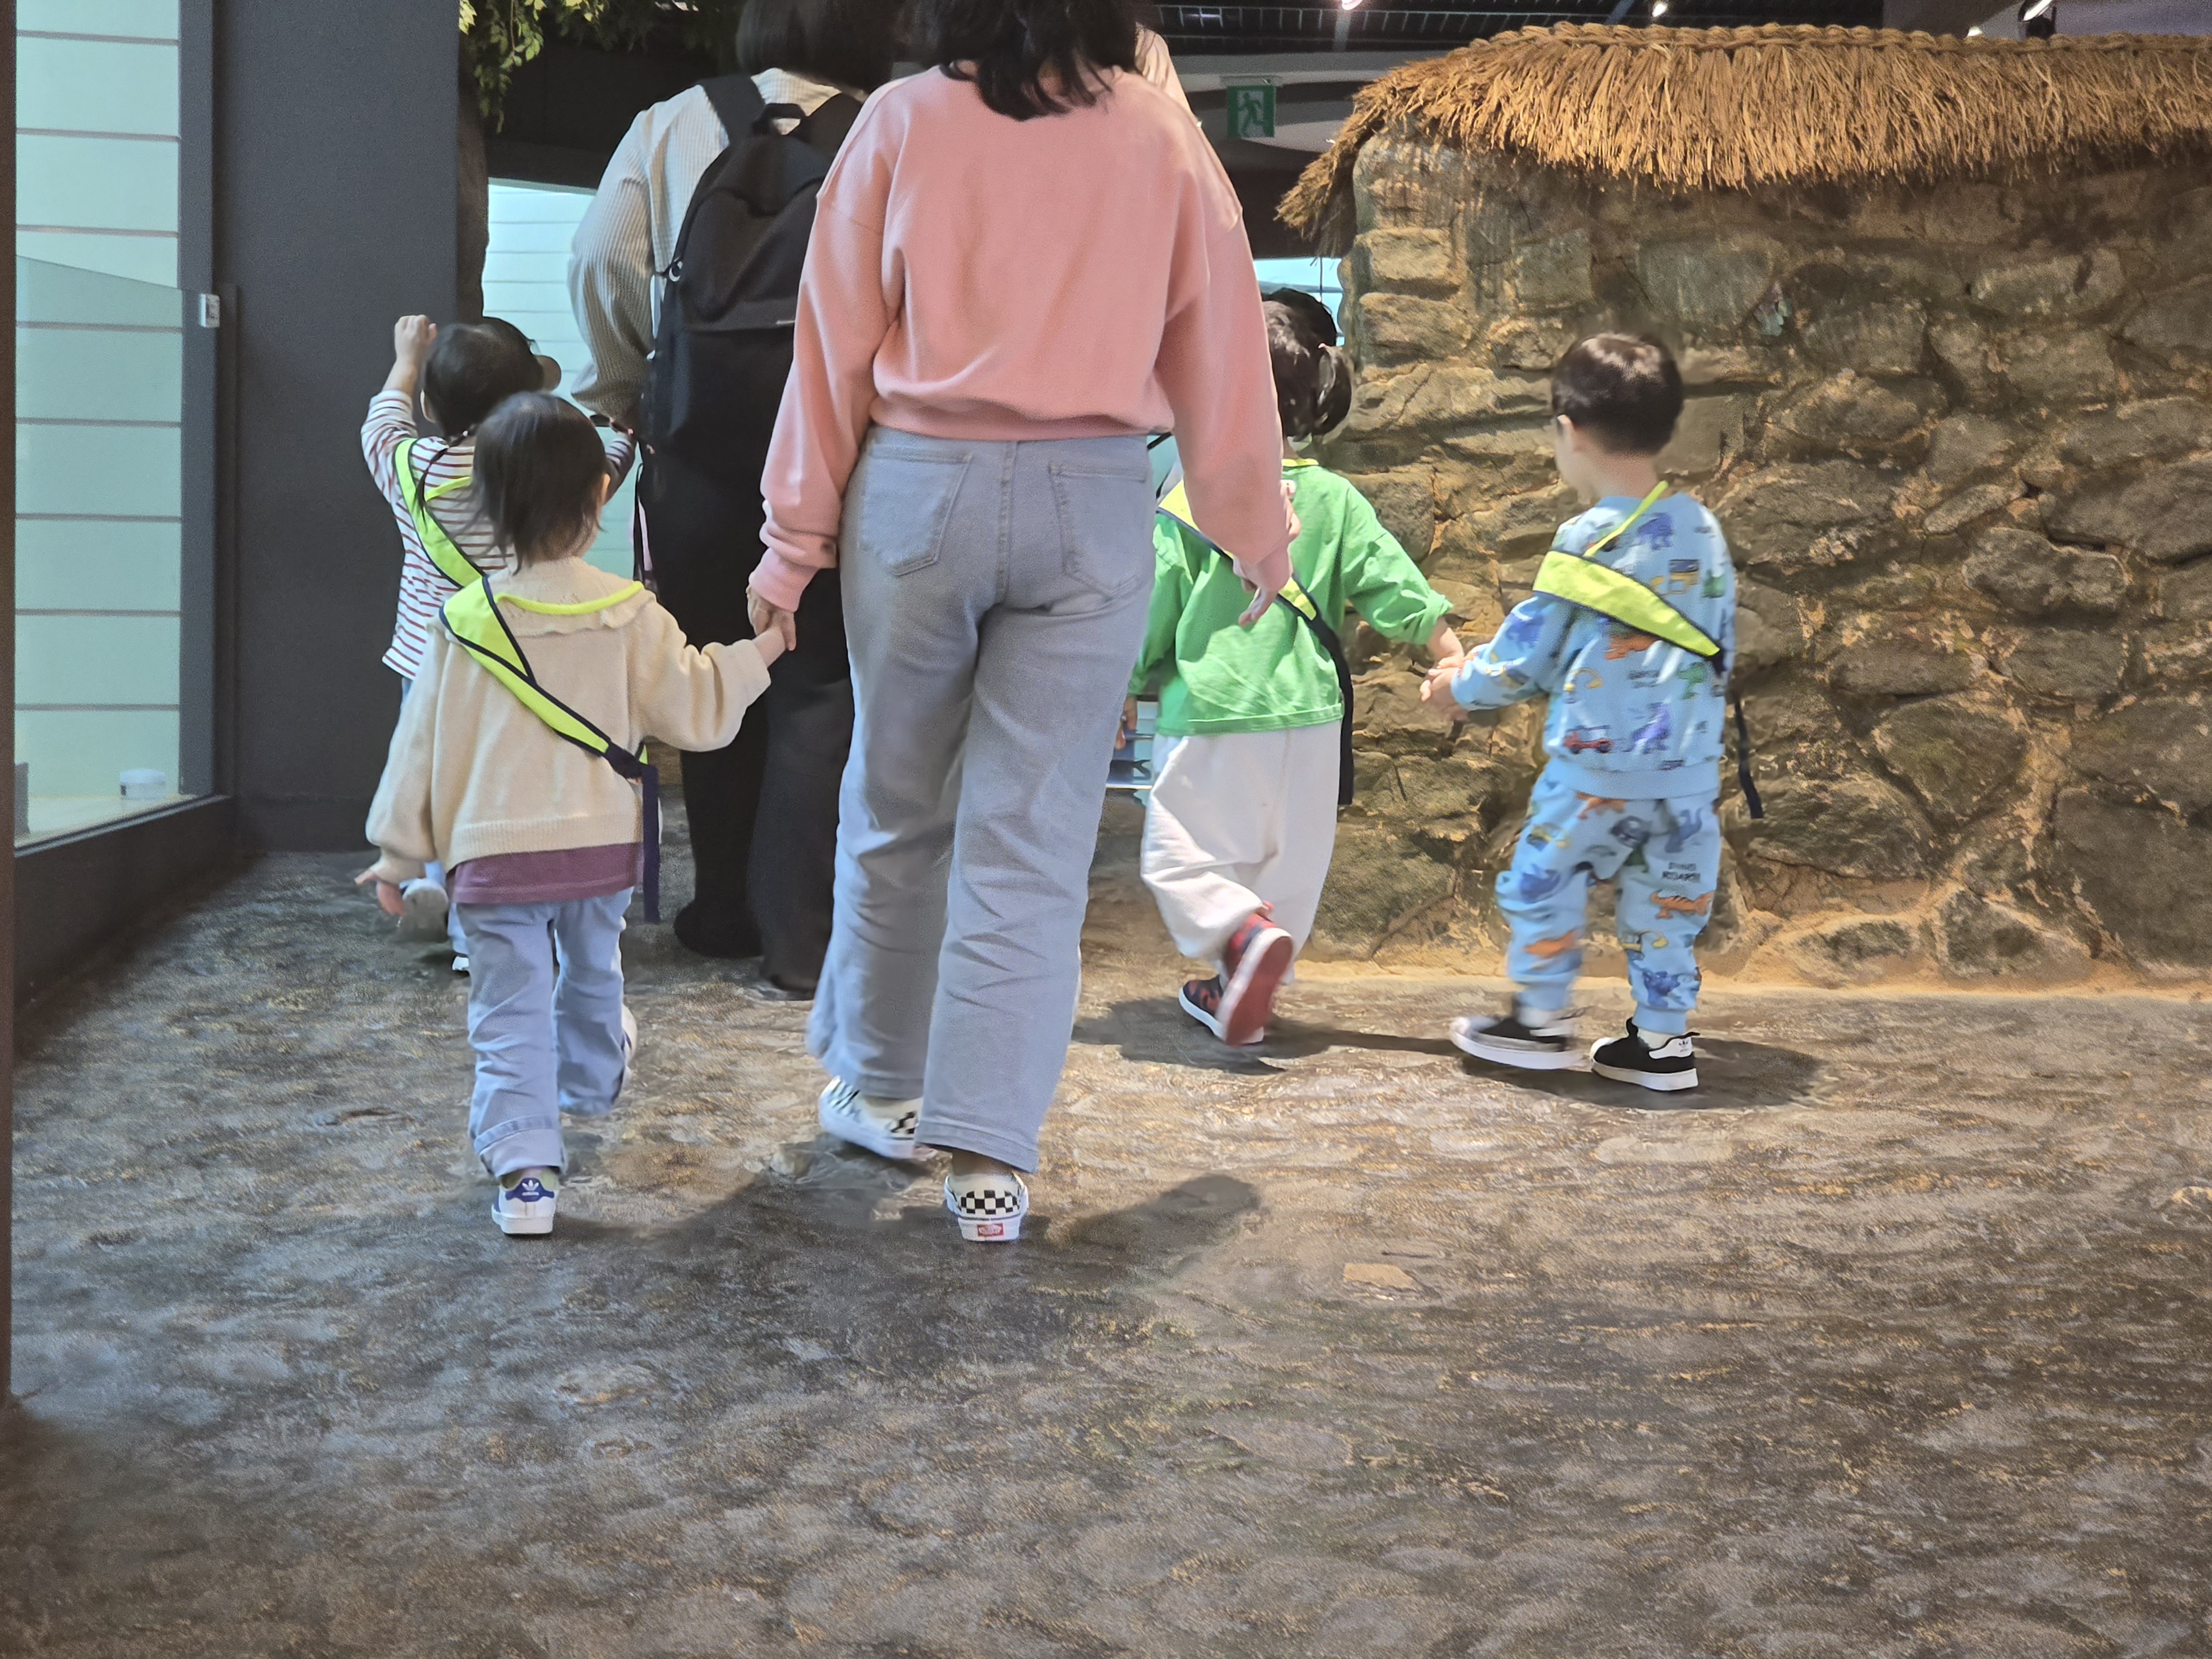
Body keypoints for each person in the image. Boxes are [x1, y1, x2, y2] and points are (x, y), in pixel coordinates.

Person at [749, 0, 1293, 1242]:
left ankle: (882, 1086)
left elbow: (830, 346)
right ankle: (991, 1158)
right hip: (1093, 500)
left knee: (897, 805)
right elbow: (1220, 344)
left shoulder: (900, 121)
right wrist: (1252, 525)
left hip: (918, 495)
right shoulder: (1159, 133)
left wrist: (792, 544)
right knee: (1033, 840)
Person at [358, 393, 782, 1235]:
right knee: (592, 974)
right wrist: (764, 649)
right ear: (598, 496)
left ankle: (526, 1176)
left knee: (507, 1010)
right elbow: (698, 707)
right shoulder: (629, 612)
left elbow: (420, 747)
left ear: (488, 505)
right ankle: (590, 1081)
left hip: (491, 861)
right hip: (598, 851)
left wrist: (398, 854)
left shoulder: (463, 620)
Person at [567, 0, 898, 993]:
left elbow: (603, 259)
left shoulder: (673, 122)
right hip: (849, 459)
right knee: (821, 682)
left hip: (700, 457)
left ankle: (721, 912)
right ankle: (802, 938)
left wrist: (629, 386)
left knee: (713, 667)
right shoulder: (893, 128)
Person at [1128, 298, 1464, 1047]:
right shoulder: (1337, 500)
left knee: (1182, 856)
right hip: (1313, 721)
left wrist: (1120, 685)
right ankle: (1242, 984)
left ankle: (1240, 939)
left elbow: (1152, 605)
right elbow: (1391, 582)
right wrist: (1446, 647)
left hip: (1215, 711)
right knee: (1288, 867)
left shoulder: (1190, 499)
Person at [1421, 334, 1734, 1093]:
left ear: (1570, 431)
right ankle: (1662, 1045)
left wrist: (1458, 689)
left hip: (1597, 774)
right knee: (1668, 907)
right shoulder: (1703, 528)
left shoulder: (1587, 538)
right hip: (1688, 778)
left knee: (1543, 880)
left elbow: (1528, 655)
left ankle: (1540, 1023)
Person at [362, 314, 632, 968]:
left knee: (440, 783)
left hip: (433, 661)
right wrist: (625, 435)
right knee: (515, 792)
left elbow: (383, 423)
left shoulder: (410, 466)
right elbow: (604, 472)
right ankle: (511, 922)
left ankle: (441, 893)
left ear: (433, 406)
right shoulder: (547, 473)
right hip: (530, 663)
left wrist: (407, 359)